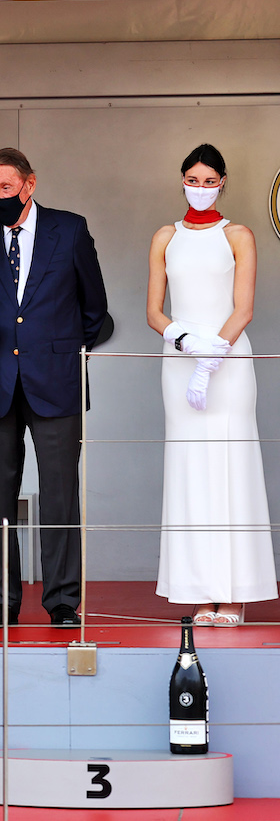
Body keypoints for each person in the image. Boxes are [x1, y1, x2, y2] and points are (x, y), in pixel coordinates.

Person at [0, 147, 108, 627]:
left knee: (60, 495)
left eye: (6, 189)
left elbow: (94, 309)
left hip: (55, 382)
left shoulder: (70, 228)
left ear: (30, 184)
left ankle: (62, 602)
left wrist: (57, 350)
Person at [147, 143, 277, 626]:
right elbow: (154, 311)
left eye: (209, 181)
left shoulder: (238, 234)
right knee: (191, 468)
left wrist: (212, 357)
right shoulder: (165, 235)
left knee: (230, 465)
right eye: (192, 179)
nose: (199, 188)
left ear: (222, 183)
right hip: (181, 358)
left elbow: (242, 309)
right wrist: (185, 343)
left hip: (228, 360)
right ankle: (202, 589)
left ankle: (235, 593)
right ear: (181, 179)